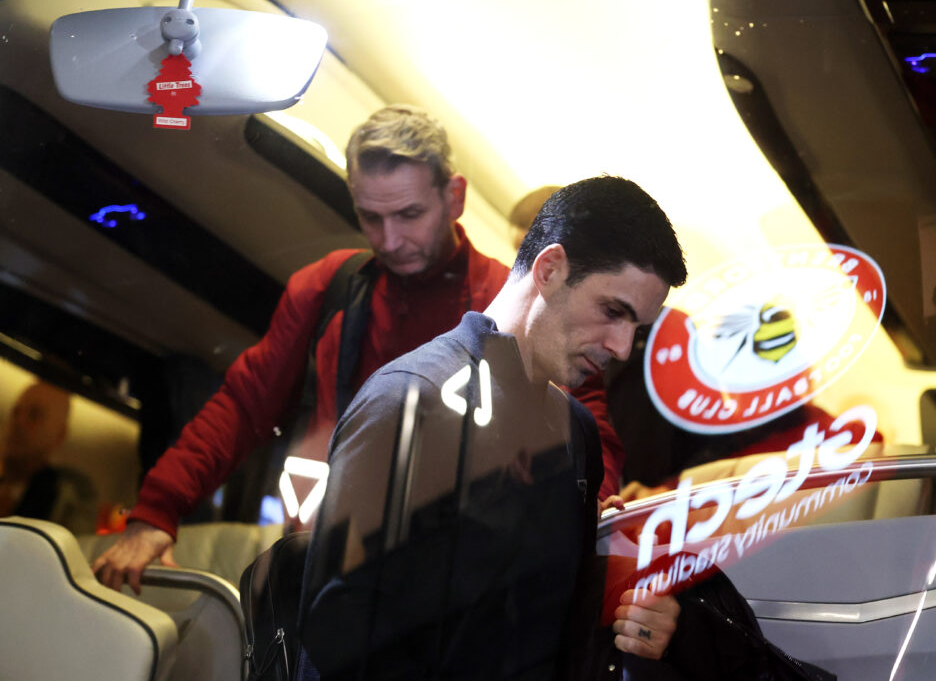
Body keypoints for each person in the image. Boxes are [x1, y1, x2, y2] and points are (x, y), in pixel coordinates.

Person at [92, 104, 626, 594]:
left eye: (409, 214)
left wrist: (593, 501)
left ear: (454, 197)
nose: (390, 239)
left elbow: (585, 423)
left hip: (458, 578)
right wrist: (155, 513)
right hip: (326, 572)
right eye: (372, 217)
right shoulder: (326, 289)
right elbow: (242, 406)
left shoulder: (510, 302)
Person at [297, 176, 688, 679]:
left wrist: (627, 610)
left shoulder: (576, 431)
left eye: (636, 330)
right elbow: (338, 645)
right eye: (612, 312)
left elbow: (542, 625)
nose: (618, 346)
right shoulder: (411, 399)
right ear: (550, 268)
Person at [0, 381, 96, 534]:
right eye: (16, 412)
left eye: (34, 415)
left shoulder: (67, 496)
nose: (18, 422)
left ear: (59, 435)